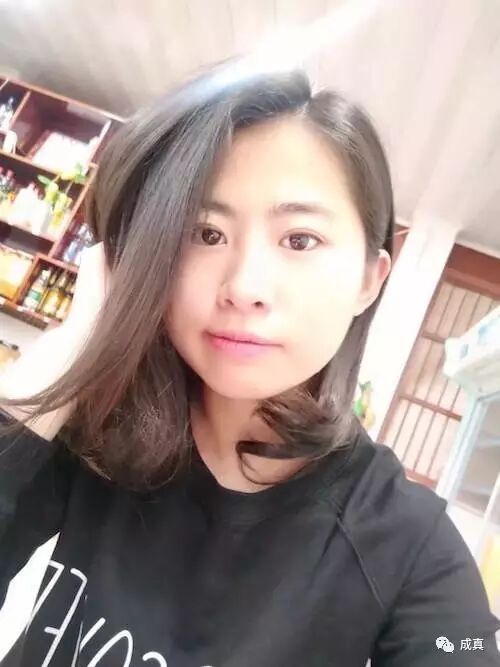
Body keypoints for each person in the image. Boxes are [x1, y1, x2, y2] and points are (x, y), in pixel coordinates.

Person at [0, 61, 498, 667]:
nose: (244, 287)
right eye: (205, 234)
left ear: (370, 279)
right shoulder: (101, 434)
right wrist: (79, 344)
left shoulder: (411, 548)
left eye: (299, 240)